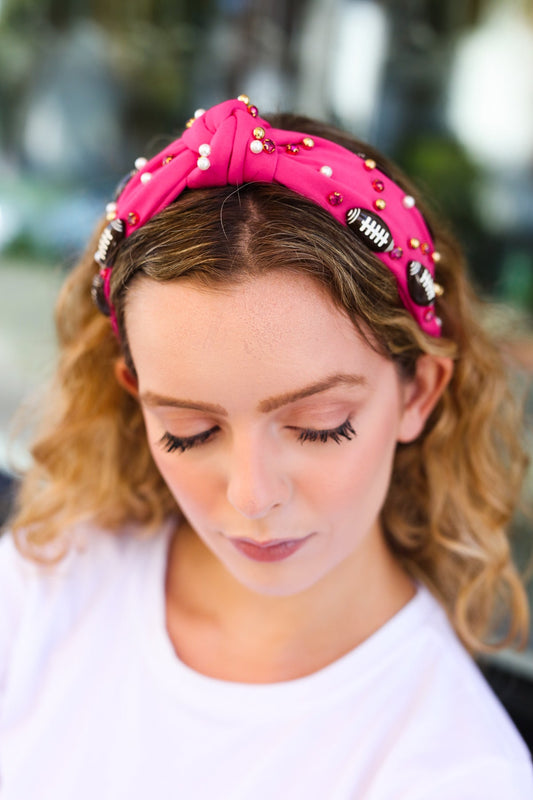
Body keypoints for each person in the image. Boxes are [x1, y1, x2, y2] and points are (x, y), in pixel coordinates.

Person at [1, 96, 532, 799]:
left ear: (418, 394)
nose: (251, 495)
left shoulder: (453, 769)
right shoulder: (45, 582)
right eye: (189, 430)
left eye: (320, 424)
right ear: (133, 392)